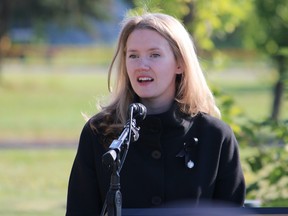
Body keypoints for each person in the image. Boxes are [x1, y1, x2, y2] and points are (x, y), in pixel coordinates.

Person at [65, 12, 246, 215]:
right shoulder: (99, 132)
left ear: (180, 64)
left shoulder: (216, 136)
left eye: (154, 55)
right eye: (133, 55)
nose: (142, 65)